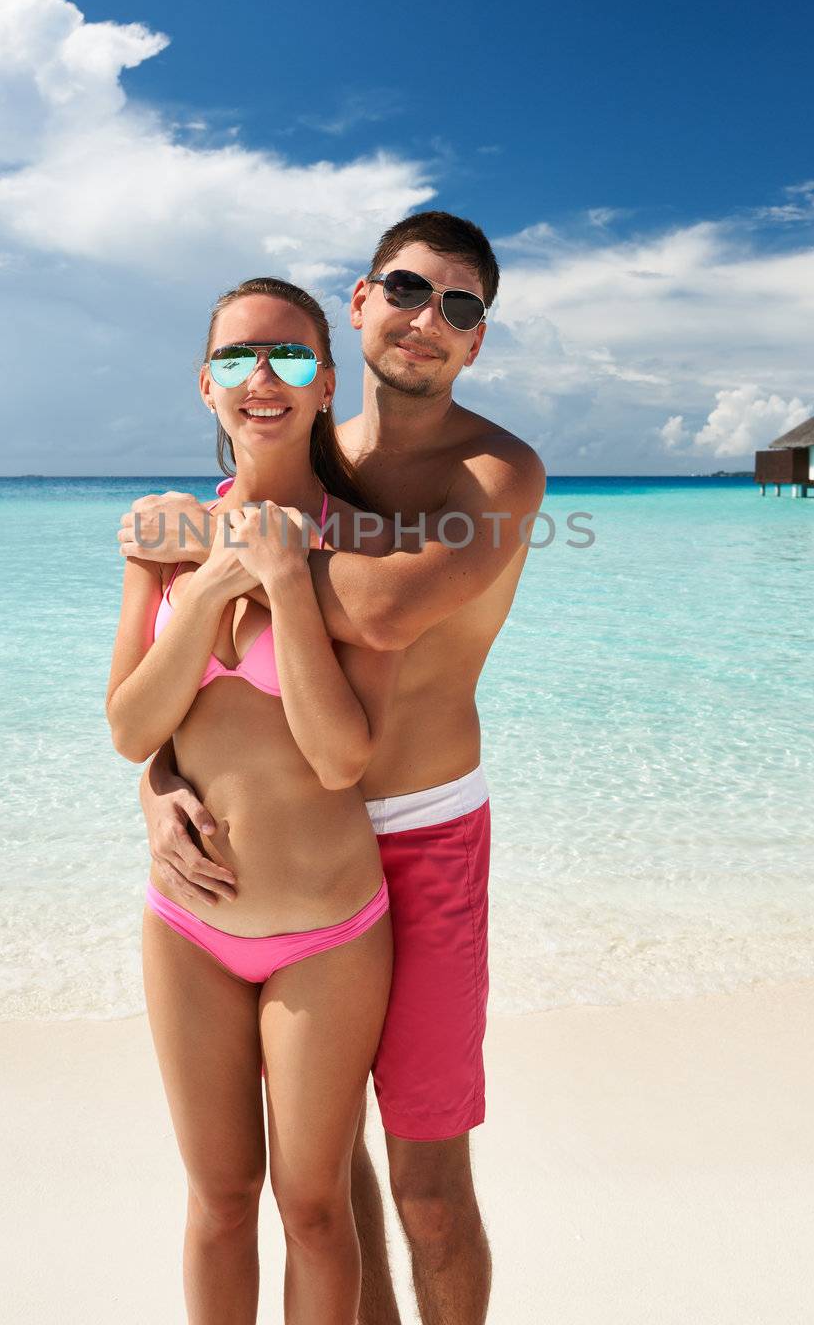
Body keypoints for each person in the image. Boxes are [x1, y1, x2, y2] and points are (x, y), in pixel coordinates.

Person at [122, 210, 547, 1325]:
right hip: (294, 843)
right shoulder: (309, 452)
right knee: (321, 1177)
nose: (429, 320)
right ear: (359, 304)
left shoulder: (498, 472)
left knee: (427, 1187)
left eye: (461, 307)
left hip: (427, 838)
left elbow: (390, 609)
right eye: (408, 290)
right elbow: (205, 700)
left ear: (477, 343)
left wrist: (208, 544)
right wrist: (159, 786)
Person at [107, 275, 403, 1325]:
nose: (262, 378)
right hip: (187, 925)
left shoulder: (366, 544)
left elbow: (339, 758)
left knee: (316, 1208)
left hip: (327, 933)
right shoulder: (164, 533)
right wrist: (212, 591)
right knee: (220, 1201)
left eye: (289, 357)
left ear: (328, 385)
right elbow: (133, 727)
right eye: (237, 358)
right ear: (205, 386)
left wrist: (283, 582)